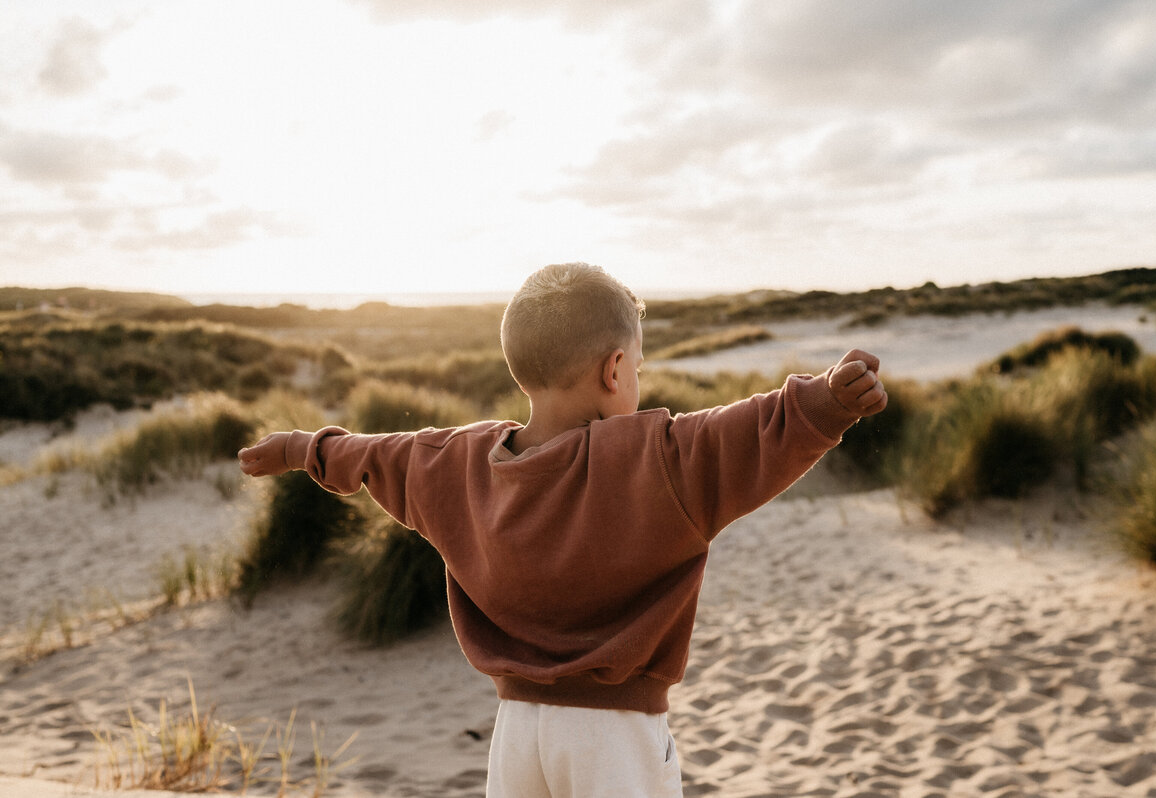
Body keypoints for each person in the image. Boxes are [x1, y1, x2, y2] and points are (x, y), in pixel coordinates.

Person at [238, 263, 887, 797]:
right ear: (613, 370)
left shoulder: (460, 463)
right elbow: (749, 433)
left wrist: (302, 448)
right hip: (615, 739)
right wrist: (829, 401)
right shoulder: (651, 460)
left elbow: (381, 455)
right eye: (635, 363)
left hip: (518, 735)